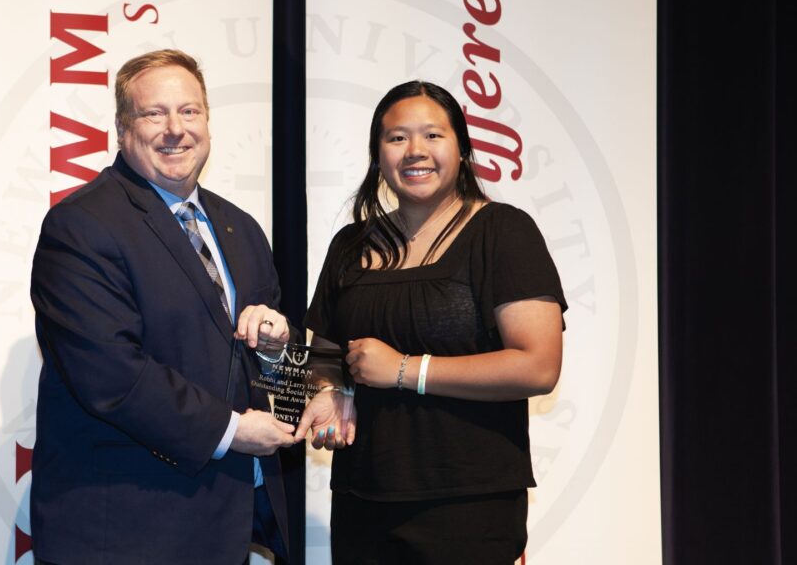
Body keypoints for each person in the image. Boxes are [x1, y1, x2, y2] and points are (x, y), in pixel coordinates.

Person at [30, 49, 296, 565]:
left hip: (225, 528)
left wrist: (275, 349)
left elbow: (262, 372)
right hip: (125, 534)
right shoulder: (81, 226)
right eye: (155, 113)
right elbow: (110, 375)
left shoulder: (241, 228)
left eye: (190, 111)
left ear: (208, 123)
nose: (175, 129)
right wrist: (233, 430)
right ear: (122, 128)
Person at [295, 81, 567, 564]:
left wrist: (405, 369)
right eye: (396, 138)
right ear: (378, 155)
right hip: (362, 500)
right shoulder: (349, 246)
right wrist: (330, 391)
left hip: (469, 504)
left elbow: (538, 367)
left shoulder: (503, 232)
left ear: (461, 149)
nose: (415, 151)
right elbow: (325, 352)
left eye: (433, 136)